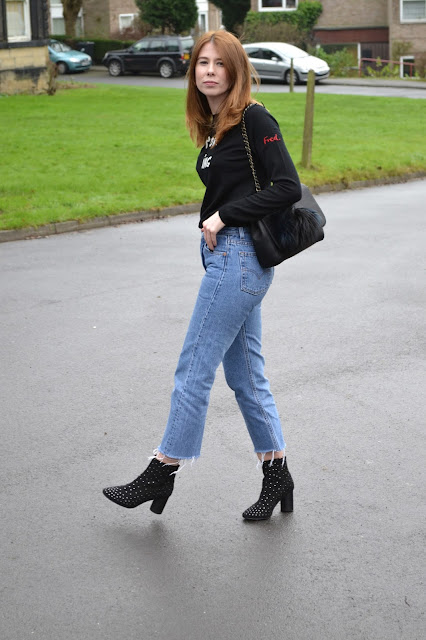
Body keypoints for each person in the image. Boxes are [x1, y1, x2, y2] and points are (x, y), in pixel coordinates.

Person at [103, 30, 301, 521]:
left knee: (193, 368)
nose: (209, 71)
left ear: (235, 70)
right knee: (245, 377)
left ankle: (161, 468)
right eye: (201, 64)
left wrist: (223, 217)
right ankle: (277, 474)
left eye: (219, 63)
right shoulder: (215, 128)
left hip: (238, 259)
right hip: (226, 262)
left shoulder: (254, 117)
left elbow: (288, 187)